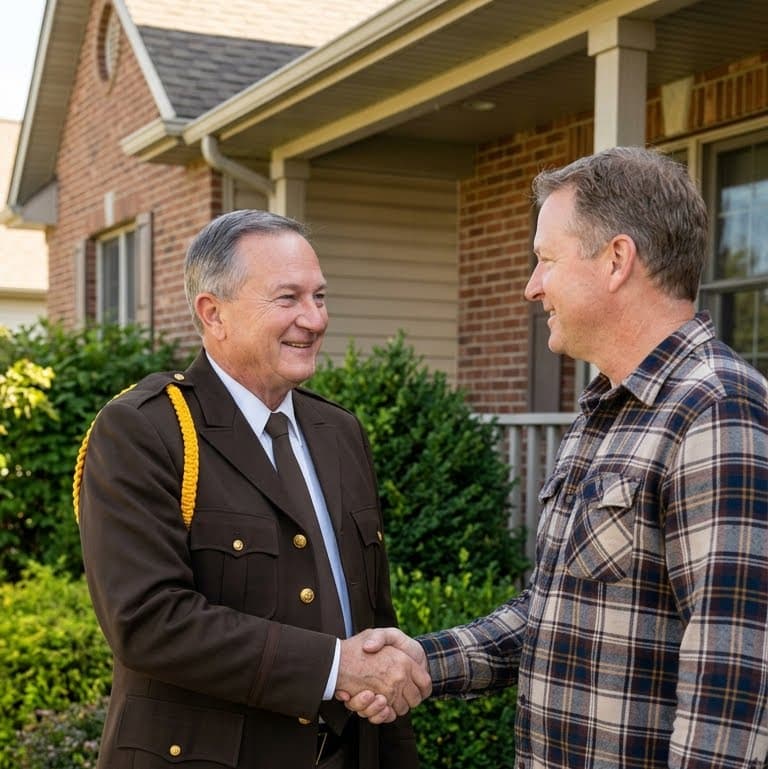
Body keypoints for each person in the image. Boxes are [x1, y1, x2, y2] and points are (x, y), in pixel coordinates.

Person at [340, 147, 768, 769]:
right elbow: (549, 612)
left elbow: (732, 684)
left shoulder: (717, 409)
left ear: (617, 260)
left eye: (546, 259)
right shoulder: (604, 411)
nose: (531, 285)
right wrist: (423, 662)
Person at [76, 210, 430, 769]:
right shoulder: (146, 430)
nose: (313, 319)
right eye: (287, 298)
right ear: (212, 314)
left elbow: (372, 617)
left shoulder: (338, 431)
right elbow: (148, 620)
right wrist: (333, 667)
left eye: (319, 296)